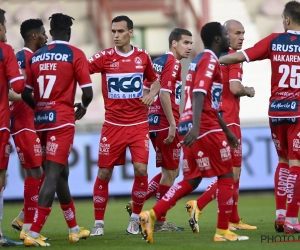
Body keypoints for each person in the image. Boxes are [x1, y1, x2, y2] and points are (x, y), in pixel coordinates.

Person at [139, 22, 249, 243]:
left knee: (192, 179)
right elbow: (199, 94)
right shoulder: (209, 59)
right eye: (225, 36)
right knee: (227, 174)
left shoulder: (199, 61)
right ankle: (222, 231)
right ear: (217, 39)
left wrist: (226, 131)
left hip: (190, 124)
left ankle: (151, 215)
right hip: (203, 127)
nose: (229, 39)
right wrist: (198, 127)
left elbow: (208, 99)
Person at [219, 0, 300, 234]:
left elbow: (239, 56)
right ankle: (293, 220)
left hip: (276, 111)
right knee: (296, 163)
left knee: (283, 161)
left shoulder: (274, 40)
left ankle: (280, 215)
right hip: (297, 111)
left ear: (286, 20)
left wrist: (211, 59)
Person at [21, 13, 93, 246]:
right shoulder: (75, 54)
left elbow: (25, 92)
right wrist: (82, 106)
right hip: (62, 121)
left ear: (50, 33)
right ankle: (33, 232)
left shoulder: (37, 56)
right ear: (69, 33)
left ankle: (73, 228)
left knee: (61, 174)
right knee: (52, 173)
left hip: (40, 120)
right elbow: (88, 92)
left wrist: (39, 107)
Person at [88, 15, 160, 236]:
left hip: (139, 124)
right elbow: (81, 70)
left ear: (131, 32)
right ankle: (98, 223)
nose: (116, 36)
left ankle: (135, 218)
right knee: (104, 172)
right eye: (113, 32)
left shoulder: (142, 57)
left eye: (120, 31)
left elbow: (155, 81)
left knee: (141, 169)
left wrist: (151, 94)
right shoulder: (105, 57)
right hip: (113, 125)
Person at [189, 20, 257, 231]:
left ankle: (233, 219)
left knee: (231, 172)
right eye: (237, 33)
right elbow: (235, 88)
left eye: (243, 33)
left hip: (216, 119)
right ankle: (197, 204)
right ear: (225, 35)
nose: (241, 37)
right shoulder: (234, 59)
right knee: (231, 173)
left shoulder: (211, 57)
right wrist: (248, 90)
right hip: (228, 121)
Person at [125, 28, 193, 232]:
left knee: (171, 170)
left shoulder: (158, 61)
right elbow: (164, 94)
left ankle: (138, 201)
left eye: (190, 43)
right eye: (185, 42)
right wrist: (173, 124)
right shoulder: (172, 62)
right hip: (165, 122)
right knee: (171, 172)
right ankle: (159, 220)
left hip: (153, 122)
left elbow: (145, 89)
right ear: (174, 43)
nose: (189, 47)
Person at [9, 19, 49, 241]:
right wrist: (34, 98)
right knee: (35, 173)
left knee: (44, 173)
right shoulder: (22, 58)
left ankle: (24, 219)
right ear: (34, 36)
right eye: (43, 33)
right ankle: (28, 228)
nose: (46, 37)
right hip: (23, 123)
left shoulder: (34, 58)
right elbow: (8, 91)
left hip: (33, 123)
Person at [0, 8, 25, 247]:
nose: (6, 29)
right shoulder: (6, 50)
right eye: (5, 24)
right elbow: (17, 86)